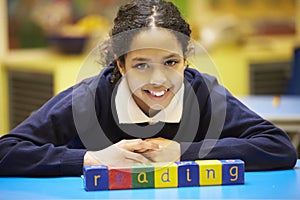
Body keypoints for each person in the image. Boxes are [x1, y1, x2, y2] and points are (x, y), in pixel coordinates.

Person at [0, 0, 297, 177]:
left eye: (170, 62)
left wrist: (181, 152)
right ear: (120, 65)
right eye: (141, 64)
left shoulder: (202, 93)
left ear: (185, 61)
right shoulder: (90, 98)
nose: (158, 80)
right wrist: (94, 158)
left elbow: (279, 147)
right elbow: (6, 152)